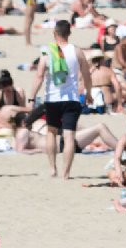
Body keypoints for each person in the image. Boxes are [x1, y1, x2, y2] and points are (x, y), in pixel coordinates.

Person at [28, 20, 92, 180]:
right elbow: (86, 74)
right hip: (72, 99)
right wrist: (89, 93)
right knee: (69, 136)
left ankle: (52, 168)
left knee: (51, 133)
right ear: (69, 33)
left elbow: (39, 77)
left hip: (52, 99)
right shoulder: (76, 51)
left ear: (55, 34)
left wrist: (31, 97)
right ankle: (66, 173)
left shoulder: (47, 53)